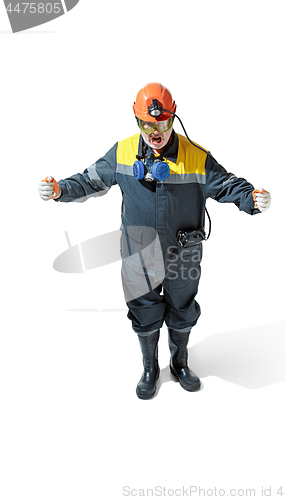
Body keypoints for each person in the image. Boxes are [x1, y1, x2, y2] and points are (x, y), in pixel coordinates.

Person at [38, 82, 271, 399]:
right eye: (146, 124)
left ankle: (180, 362)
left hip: (183, 253)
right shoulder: (122, 152)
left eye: (161, 123)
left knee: (182, 308)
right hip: (138, 253)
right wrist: (60, 190)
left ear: (173, 118)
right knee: (142, 309)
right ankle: (150, 369)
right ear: (137, 121)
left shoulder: (196, 157)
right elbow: (89, 180)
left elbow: (228, 184)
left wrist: (252, 198)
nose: (154, 130)